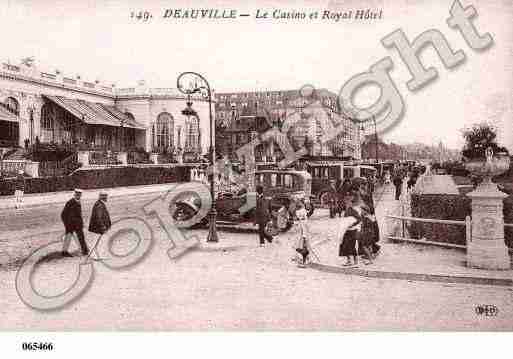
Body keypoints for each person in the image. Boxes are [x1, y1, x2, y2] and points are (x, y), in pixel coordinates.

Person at [61, 189, 88, 257]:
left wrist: (81, 223)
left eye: (79, 194)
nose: (78, 195)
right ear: (74, 194)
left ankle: (85, 250)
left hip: (77, 224)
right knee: (68, 238)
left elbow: (79, 215)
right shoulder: (70, 202)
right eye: (77, 194)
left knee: (81, 237)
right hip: (70, 225)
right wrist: (67, 224)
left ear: (81, 195)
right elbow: (63, 214)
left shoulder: (78, 202)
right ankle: (64, 252)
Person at [339, 191, 363, 266]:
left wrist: (353, 224)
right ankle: (349, 260)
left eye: (348, 203)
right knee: (344, 245)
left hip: (352, 231)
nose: (347, 204)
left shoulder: (353, 211)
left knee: (352, 246)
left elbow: (359, 219)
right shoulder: (346, 211)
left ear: (351, 204)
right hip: (346, 231)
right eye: (346, 202)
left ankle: (356, 262)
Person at [294, 201, 312, 267]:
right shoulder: (300, 212)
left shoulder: (302, 213)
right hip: (301, 233)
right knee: (300, 245)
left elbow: (304, 224)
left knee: (303, 247)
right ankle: (303, 259)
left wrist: (304, 236)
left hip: (304, 234)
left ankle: (303, 261)